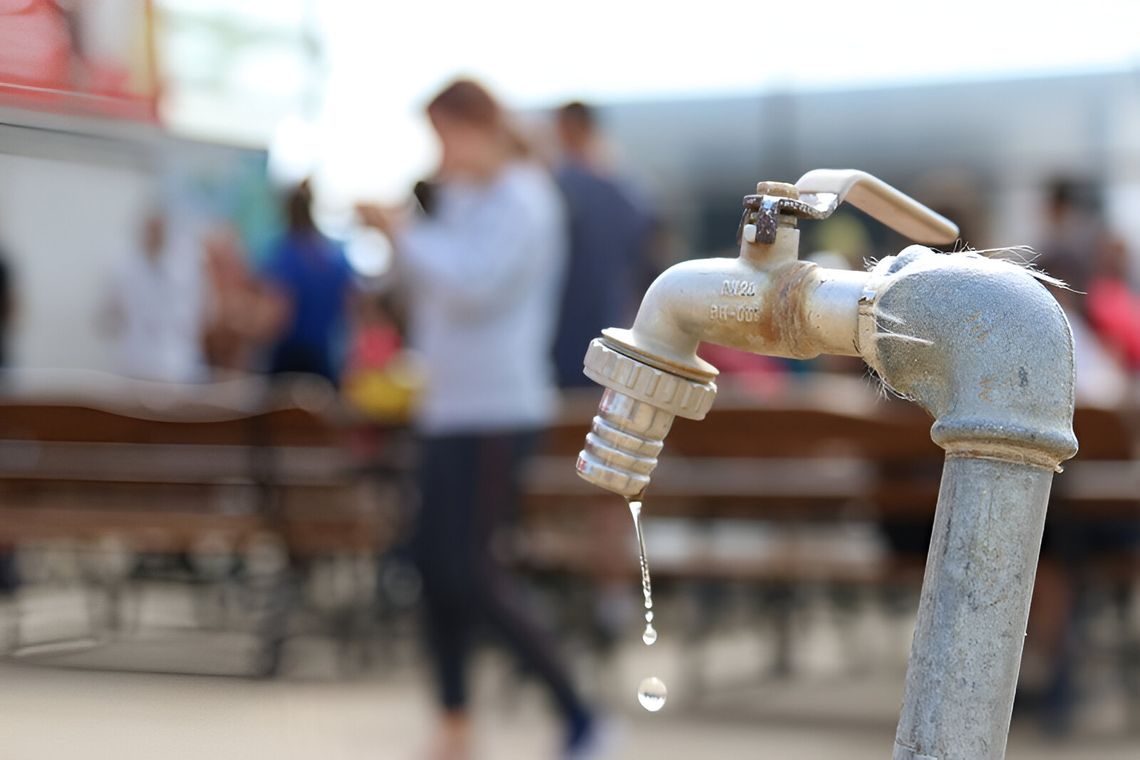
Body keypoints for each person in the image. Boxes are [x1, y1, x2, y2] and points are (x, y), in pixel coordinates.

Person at [357, 79, 598, 760]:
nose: (440, 152)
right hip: (444, 405)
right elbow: (415, 289)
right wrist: (405, 231)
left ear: (476, 126)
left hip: (499, 407)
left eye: (444, 135)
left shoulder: (526, 197)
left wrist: (405, 231)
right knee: (433, 567)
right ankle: (454, 720)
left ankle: (578, 712)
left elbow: (472, 287)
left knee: (474, 569)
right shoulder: (455, 199)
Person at [551, 101, 654, 388]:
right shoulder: (624, 191)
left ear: (563, 130)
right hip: (611, 329)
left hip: (561, 333)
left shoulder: (554, 187)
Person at [262, 180, 355, 385]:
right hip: (325, 356)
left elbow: (279, 311)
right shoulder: (334, 254)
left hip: (290, 357)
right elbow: (351, 305)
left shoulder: (285, 253)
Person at [106, 212, 206, 384]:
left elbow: (203, 315)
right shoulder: (123, 269)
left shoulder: (187, 270)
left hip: (177, 365)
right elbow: (109, 314)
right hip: (135, 362)